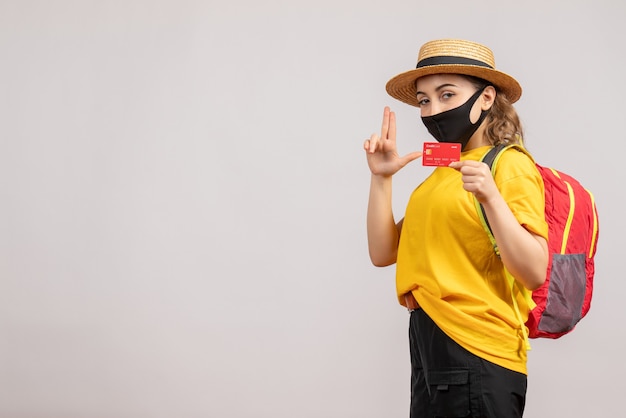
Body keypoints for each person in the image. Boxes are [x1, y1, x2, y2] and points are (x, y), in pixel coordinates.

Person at [363, 39, 549, 418]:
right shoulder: (440, 177)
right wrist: (381, 180)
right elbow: (383, 254)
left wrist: (492, 198)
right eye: (424, 100)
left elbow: (534, 271)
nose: (433, 110)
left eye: (447, 94)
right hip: (429, 347)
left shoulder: (508, 165)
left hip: (478, 351)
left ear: (485, 98)